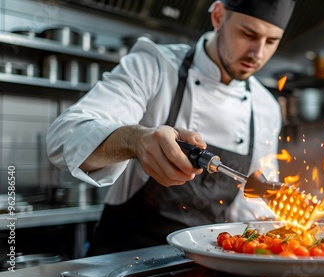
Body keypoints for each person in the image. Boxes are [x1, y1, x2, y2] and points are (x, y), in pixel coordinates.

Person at [46, 0, 296, 256]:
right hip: (126, 261)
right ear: (219, 16)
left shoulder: (266, 106)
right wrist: (135, 140)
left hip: (205, 264)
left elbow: (250, 209)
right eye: (248, 34)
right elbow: (63, 139)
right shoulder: (155, 65)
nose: (258, 53)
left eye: (271, 41)